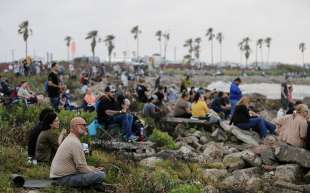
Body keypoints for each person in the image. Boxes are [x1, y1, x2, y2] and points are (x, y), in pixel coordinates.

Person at [50, 117, 106, 190]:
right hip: (63, 179)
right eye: (84, 125)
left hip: (61, 177)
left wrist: (93, 168)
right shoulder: (74, 142)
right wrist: (95, 171)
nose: (86, 127)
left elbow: (80, 166)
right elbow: (81, 168)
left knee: (96, 173)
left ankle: (94, 186)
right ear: (77, 126)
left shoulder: (71, 138)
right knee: (101, 175)